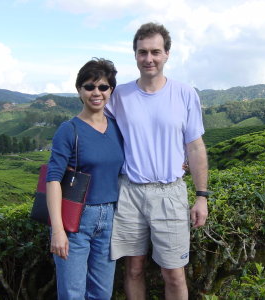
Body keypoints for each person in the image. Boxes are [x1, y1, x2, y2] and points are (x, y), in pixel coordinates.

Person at [105, 22, 209, 300]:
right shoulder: (119, 96)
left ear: (166, 54)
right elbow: (97, 128)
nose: (148, 58)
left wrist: (201, 196)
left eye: (155, 52)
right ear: (135, 55)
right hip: (130, 192)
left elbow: (195, 147)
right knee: (134, 268)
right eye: (142, 52)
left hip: (170, 192)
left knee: (174, 274)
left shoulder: (185, 93)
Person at [46, 58, 124, 300]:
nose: (96, 92)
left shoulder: (117, 128)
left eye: (103, 87)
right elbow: (53, 180)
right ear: (79, 90)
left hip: (110, 218)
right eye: (89, 86)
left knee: (102, 293)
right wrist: (58, 230)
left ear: (111, 90)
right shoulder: (69, 130)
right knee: (72, 294)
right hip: (75, 222)